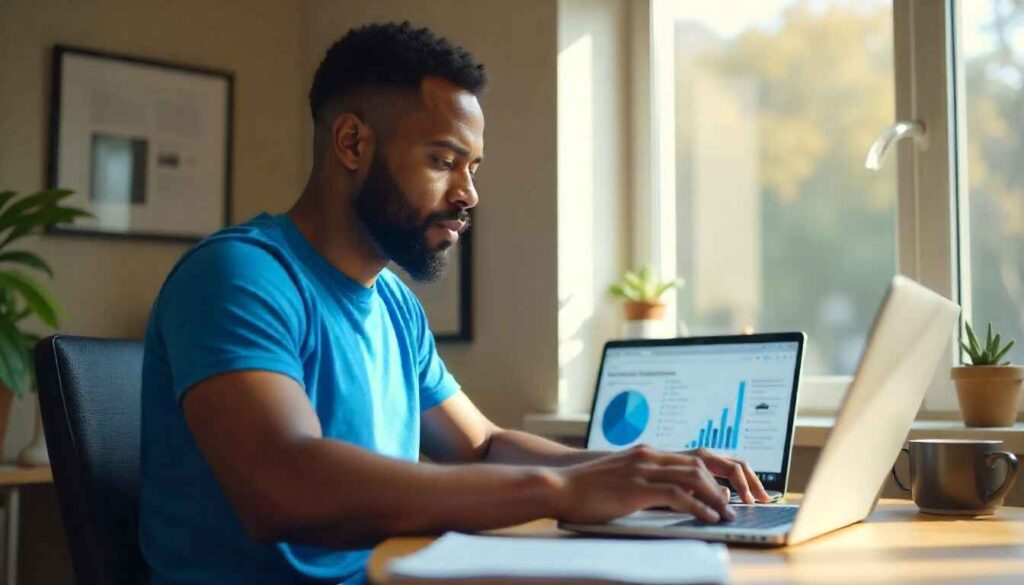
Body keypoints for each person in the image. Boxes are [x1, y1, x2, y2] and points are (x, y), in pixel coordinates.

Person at [138, 21, 771, 585]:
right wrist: (561, 489)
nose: (468, 193)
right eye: (444, 161)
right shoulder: (240, 275)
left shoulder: (391, 301)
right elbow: (285, 486)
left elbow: (484, 445)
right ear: (353, 144)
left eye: (474, 167)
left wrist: (640, 470)